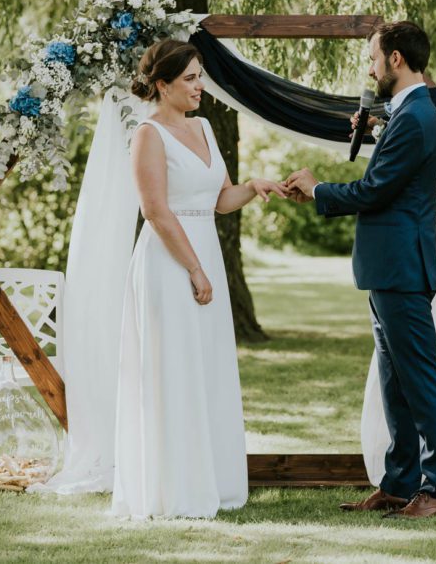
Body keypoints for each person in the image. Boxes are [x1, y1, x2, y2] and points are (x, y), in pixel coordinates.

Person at [286, 21, 436, 519]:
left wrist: (318, 189)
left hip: (403, 266)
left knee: (420, 379)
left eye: (373, 58)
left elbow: (375, 190)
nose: (370, 68)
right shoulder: (407, 112)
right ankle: (400, 482)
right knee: (395, 382)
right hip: (389, 266)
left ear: (396, 59)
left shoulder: (416, 118)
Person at [110, 40, 287, 518]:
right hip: (169, 260)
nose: (199, 86)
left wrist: (252, 187)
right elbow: (155, 210)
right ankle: (173, 488)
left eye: (200, 76)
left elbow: (219, 199)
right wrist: (192, 267)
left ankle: (212, 481)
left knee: (206, 364)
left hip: (203, 248)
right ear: (162, 85)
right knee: (174, 366)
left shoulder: (204, 127)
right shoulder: (148, 135)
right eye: (189, 78)